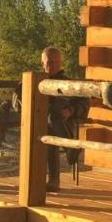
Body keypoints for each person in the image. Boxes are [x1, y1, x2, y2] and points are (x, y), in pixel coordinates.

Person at [41, 46, 88, 191]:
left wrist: (71, 110)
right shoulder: (35, 81)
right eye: (49, 62)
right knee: (48, 125)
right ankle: (70, 149)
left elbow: (84, 102)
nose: (53, 64)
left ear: (61, 63)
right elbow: (17, 98)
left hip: (64, 123)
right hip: (36, 123)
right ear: (42, 63)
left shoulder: (69, 83)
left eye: (56, 61)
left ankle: (54, 180)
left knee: (51, 124)